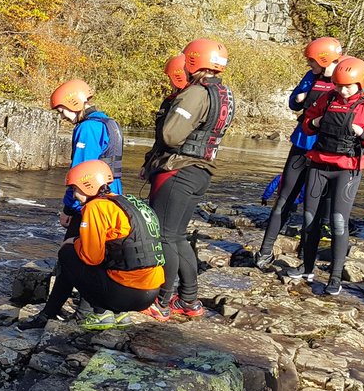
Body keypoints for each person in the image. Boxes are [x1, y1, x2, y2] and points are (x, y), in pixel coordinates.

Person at [141, 38, 235, 322]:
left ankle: (161, 301)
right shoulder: (223, 92)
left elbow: (171, 136)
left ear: (193, 60)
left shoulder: (195, 93)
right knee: (179, 237)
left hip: (178, 171)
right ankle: (190, 300)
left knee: (165, 237)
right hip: (201, 172)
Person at [19, 160, 165, 330]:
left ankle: (99, 314)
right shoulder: (126, 202)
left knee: (67, 253)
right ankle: (118, 315)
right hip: (151, 291)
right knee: (104, 254)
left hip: (126, 294)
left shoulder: (95, 207)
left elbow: (91, 258)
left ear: (87, 185)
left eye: (74, 188)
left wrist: (73, 242)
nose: (73, 195)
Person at [289, 56, 364, 294]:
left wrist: (363, 133)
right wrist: (315, 121)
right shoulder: (328, 98)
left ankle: (335, 277)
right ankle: (307, 267)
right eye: (339, 85)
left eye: (348, 86)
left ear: (360, 84)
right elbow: (307, 124)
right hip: (318, 164)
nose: (343, 91)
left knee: (337, 222)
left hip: (347, 169)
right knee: (309, 218)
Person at [255, 37, 345, 270]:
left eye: (312, 61)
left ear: (325, 60)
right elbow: (293, 103)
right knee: (284, 197)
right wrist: (299, 99)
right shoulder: (310, 77)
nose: (309, 65)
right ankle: (265, 252)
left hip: (328, 152)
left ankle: (307, 262)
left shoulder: (347, 79)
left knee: (316, 207)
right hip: (302, 144)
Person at [49, 79, 127, 328]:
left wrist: (68, 208)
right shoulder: (110, 123)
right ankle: (108, 308)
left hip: (90, 202)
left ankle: (83, 312)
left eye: (62, 108)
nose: (61, 114)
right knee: (102, 255)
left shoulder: (87, 128)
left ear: (74, 101)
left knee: (74, 254)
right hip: (112, 199)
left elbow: (79, 174)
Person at [141, 54, 190, 189]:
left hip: (171, 167)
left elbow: (165, 139)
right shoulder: (170, 101)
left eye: (170, 78)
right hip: (164, 164)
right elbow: (159, 138)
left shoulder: (183, 102)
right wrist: (147, 164)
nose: (169, 81)